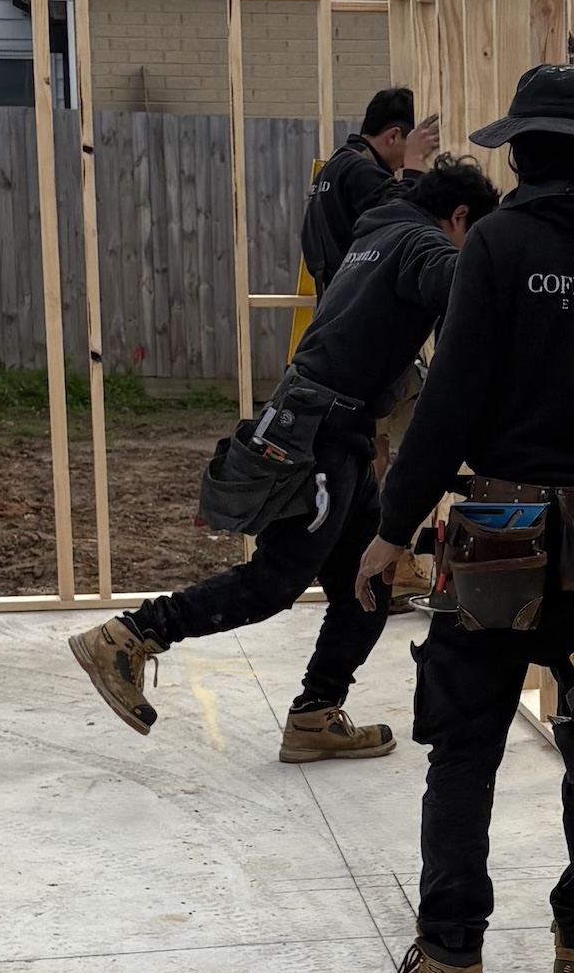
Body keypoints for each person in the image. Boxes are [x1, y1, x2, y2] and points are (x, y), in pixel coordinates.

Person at [346, 61, 574, 973]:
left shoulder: (502, 240)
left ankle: (448, 963)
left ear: (522, 147)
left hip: (500, 526)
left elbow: (450, 401)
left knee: (467, 741)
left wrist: (391, 529)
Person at [73, 152, 501, 762]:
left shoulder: (379, 232)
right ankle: (134, 633)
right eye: (474, 235)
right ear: (458, 218)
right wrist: (513, 266)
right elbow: (460, 282)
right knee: (275, 582)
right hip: (320, 434)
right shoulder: (417, 244)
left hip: (336, 428)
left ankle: (316, 715)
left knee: (370, 579)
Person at [300, 88, 441, 294]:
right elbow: (409, 218)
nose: (401, 166)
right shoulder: (360, 171)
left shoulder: (335, 166)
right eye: (408, 145)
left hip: (335, 295)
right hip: (355, 297)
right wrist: (414, 163)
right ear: (393, 136)